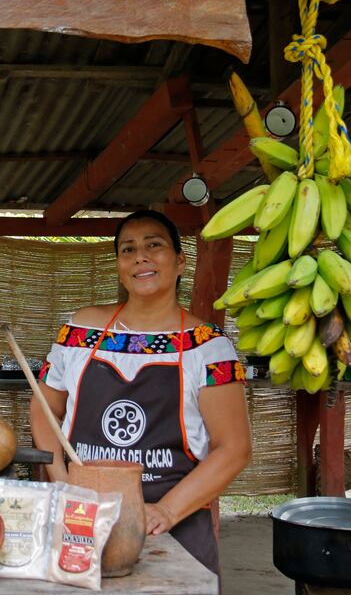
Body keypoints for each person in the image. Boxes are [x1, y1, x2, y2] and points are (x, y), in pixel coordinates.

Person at [30, 210, 252, 574]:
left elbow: (234, 448)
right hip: (82, 515)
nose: (140, 257)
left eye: (154, 245)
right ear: (119, 265)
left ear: (180, 261)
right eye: (128, 249)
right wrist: (65, 482)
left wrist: (166, 510)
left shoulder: (208, 347)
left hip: (171, 521)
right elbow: (44, 409)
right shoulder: (80, 331)